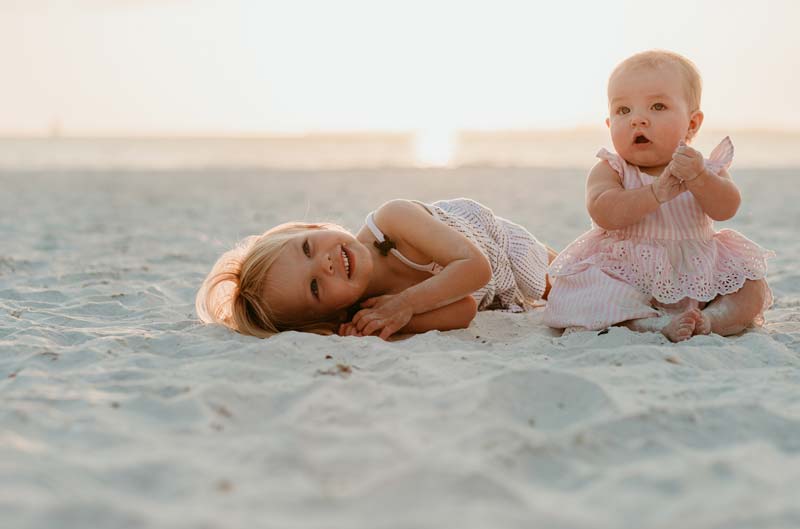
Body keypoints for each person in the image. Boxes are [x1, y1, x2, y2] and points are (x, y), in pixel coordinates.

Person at [543, 50, 773, 342]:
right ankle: (645, 323)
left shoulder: (704, 167)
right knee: (592, 288)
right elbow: (603, 212)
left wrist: (700, 177)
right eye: (623, 111)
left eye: (657, 106)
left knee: (750, 284)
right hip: (628, 271)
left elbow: (726, 208)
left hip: (696, 270)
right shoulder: (611, 169)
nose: (638, 120)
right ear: (609, 124)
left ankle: (711, 318)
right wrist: (654, 192)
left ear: (692, 124)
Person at [196, 198, 557, 339]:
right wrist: (391, 320)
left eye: (308, 248)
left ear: (312, 229)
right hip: (489, 293)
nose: (324, 264)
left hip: (490, 244)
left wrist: (407, 304)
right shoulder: (377, 307)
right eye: (316, 287)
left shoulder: (392, 220)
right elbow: (464, 308)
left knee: (562, 282)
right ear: (333, 312)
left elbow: (475, 268)